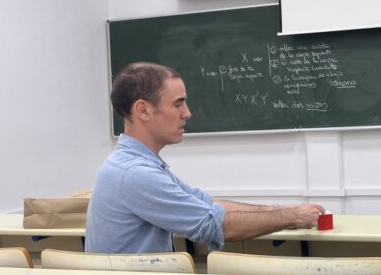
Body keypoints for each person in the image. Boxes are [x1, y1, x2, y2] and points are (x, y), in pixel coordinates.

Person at [85, 62, 325, 253]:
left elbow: (207, 204)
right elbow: (216, 226)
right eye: (178, 104)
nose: (187, 113)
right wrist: (291, 217)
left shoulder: (139, 164)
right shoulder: (134, 174)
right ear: (143, 110)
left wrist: (284, 210)